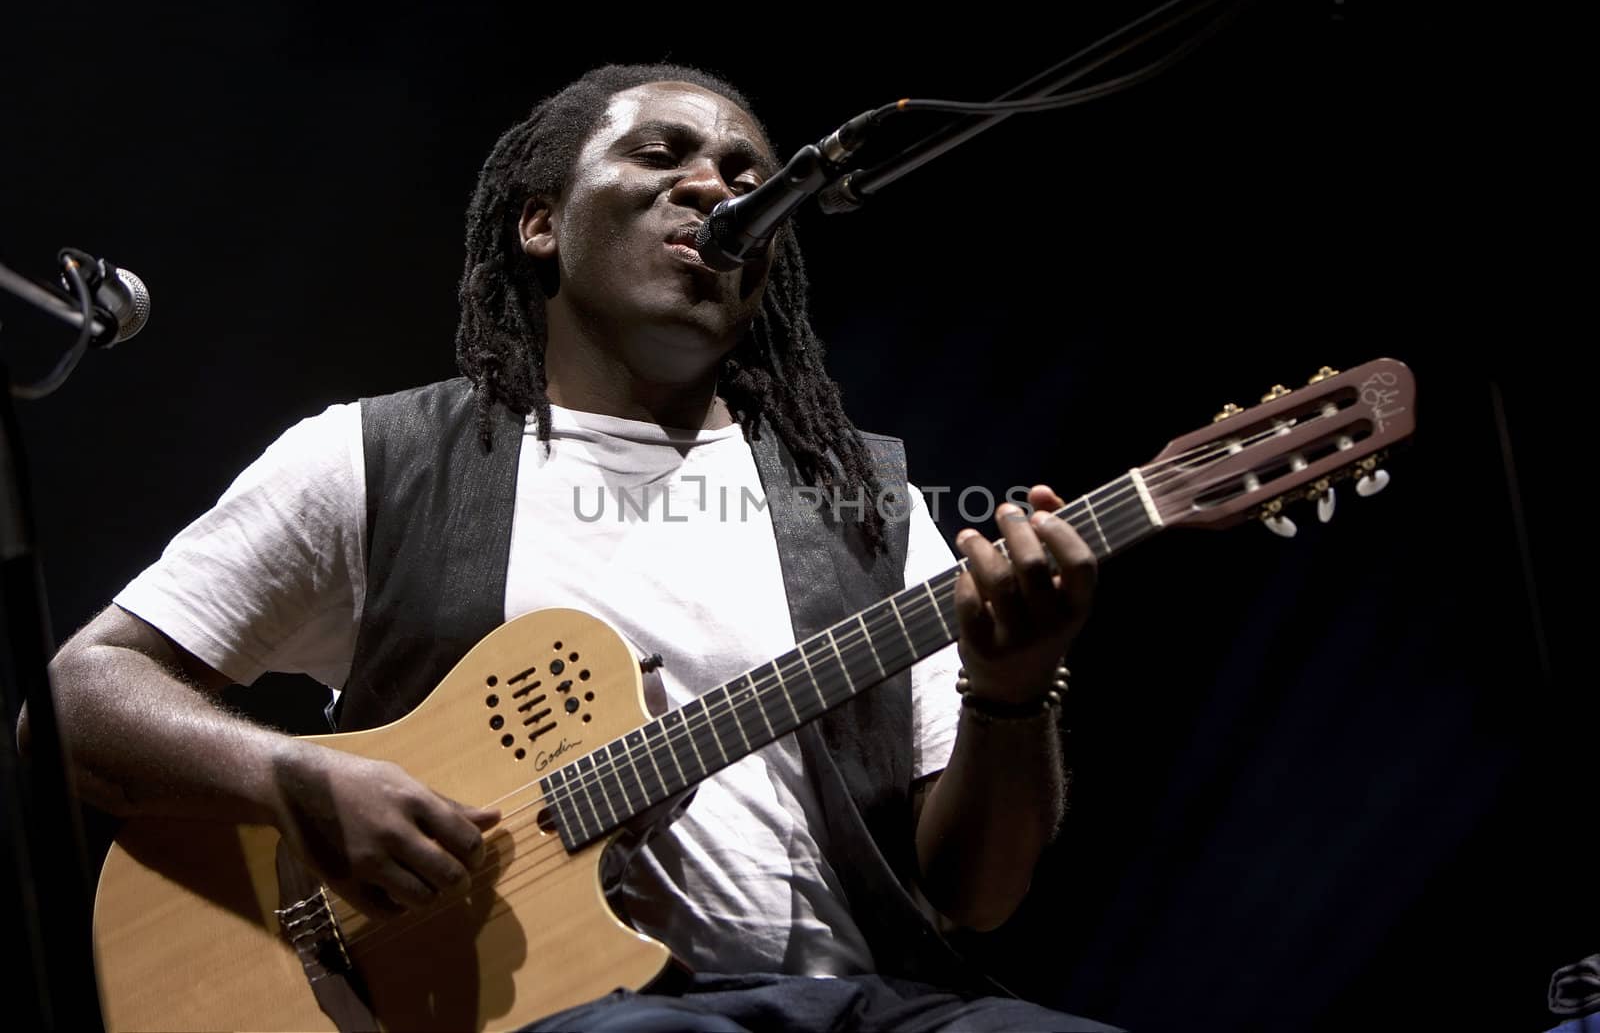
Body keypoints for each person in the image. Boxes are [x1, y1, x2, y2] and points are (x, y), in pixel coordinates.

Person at [23, 63, 1117, 1032]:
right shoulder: (375, 458)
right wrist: (289, 776)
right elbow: (76, 701)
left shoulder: (860, 501)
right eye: (661, 153)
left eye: (745, 171)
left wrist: (1014, 691)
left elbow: (976, 892)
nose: (715, 186)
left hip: (874, 999)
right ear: (539, 223)